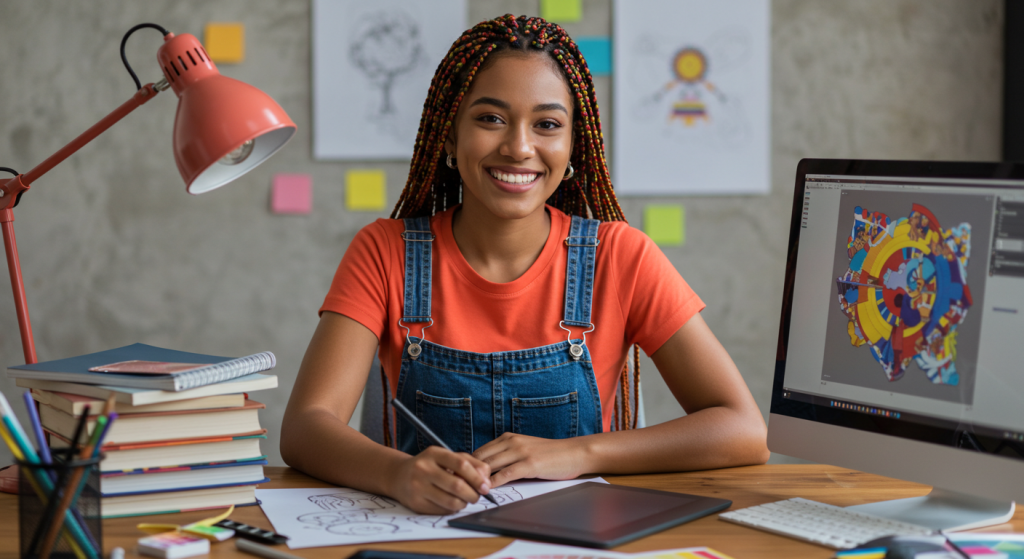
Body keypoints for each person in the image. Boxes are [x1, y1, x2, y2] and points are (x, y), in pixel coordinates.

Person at [281, 14, 769, 515]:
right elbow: (305, 428)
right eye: (490, 118)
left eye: (547, 125)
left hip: (578, 541)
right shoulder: (385, 251)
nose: (518, 147)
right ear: (448, 137)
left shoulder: (621, 256)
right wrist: (397, 473)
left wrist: (579, 453)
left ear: (573, 144)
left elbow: (743, 430)